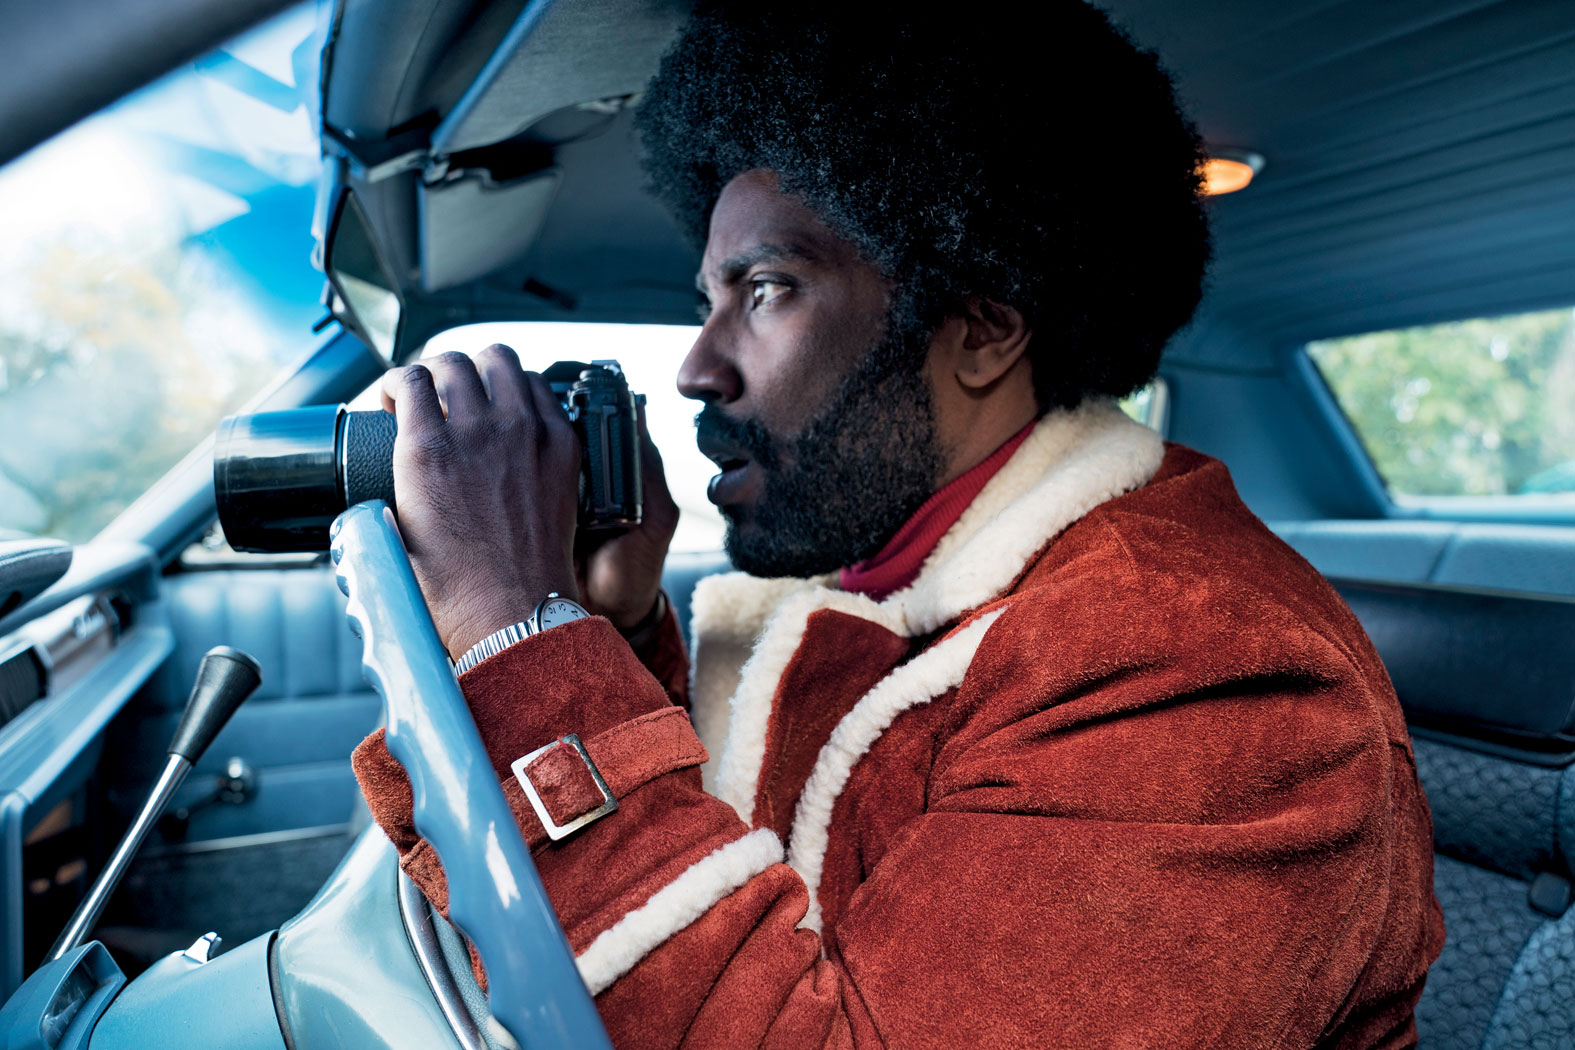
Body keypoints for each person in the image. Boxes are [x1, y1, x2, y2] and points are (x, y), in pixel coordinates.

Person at [352, 2, 1445, 1046]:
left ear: (981, 332)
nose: (696, 366)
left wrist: (517, 632)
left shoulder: (1197, 665)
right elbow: (767, 864)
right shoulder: (876, 570)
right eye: (705, 302)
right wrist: (613, 629)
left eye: (765, 289)